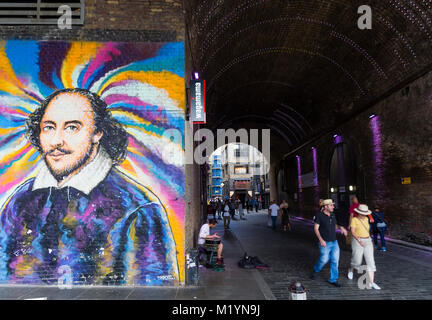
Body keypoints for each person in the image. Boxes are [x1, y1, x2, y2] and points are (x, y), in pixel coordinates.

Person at [0, 88, 179, 285]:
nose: (56, 140)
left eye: (72, 127)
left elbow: (153, 291)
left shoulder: (136, 209)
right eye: (49, 127)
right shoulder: (20, 201)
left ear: (97, 133)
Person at [311, 199, 348, 287]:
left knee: (335, 261)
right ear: (325, 207)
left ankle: (333, 279)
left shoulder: (333, 215)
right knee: (324, 259)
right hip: (324, 242)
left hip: (334, 242)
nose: (333, 207)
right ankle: (316, 270)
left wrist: (341, 228)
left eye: (333, 205)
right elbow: (316, 229)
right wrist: (321, 240)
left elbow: (334, 225)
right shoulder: (319, 215)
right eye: (331, 205)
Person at [347, 204, 381, 290]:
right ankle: (351, 269)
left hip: (368, 240)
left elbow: (367, 230)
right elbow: (353, 231)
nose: (364, 215)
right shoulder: (354, 219)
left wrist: (369, 239)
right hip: (357, 240)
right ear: (358, 212)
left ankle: (371, 282)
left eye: (365, 213)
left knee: (370, 261)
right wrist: (359, 240)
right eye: (362, 213)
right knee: (357, 260)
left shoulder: (366, 219)